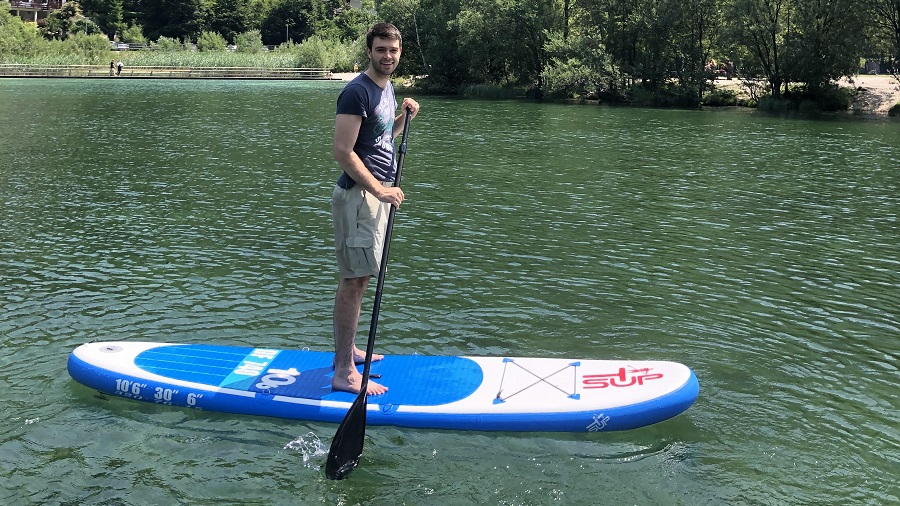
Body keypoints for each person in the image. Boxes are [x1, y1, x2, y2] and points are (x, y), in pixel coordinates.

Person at [330, 22, 419, 395]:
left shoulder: (386, 88)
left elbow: (380, 138)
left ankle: (350, 349)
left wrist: (404, 119)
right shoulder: (356, 92)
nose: (388, 56)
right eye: (381, 49)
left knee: (363, 276)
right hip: (359, 198)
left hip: (374, 199)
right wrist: (380, 189)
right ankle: (343, 371)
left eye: (393, 51)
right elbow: (343, 152)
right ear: (370, 50)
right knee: (353, 281)